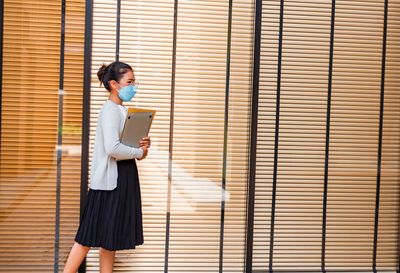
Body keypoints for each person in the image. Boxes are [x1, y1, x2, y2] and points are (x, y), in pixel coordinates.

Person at [63, 61, 151, 273]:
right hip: (110, 182)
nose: (134, 86)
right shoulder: (110, 109)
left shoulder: (122, 110)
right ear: (114, 84)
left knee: (109, 239)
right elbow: (112, 148)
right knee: (87, 236)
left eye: (134, 82)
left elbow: (125, 147)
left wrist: (143, 146)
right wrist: (138, 152)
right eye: (129, 82)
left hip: (124, 177)